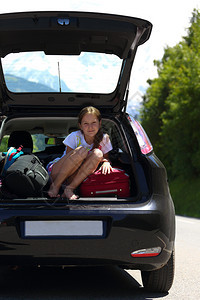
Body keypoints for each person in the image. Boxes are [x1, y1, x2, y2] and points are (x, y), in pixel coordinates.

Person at [47, 106, 113, 200]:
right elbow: (68, 163)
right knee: (82, 151)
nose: (90, 127)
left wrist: (106, 162)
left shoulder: (104, 138)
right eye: (86, 123)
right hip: (59, 172)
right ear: (80, 125)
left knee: (98, 153)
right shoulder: (75, 136)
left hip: (76, 178)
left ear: (100, 123)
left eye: (93, 122)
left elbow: (106, 157)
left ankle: (69, 189)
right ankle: (55, 186)